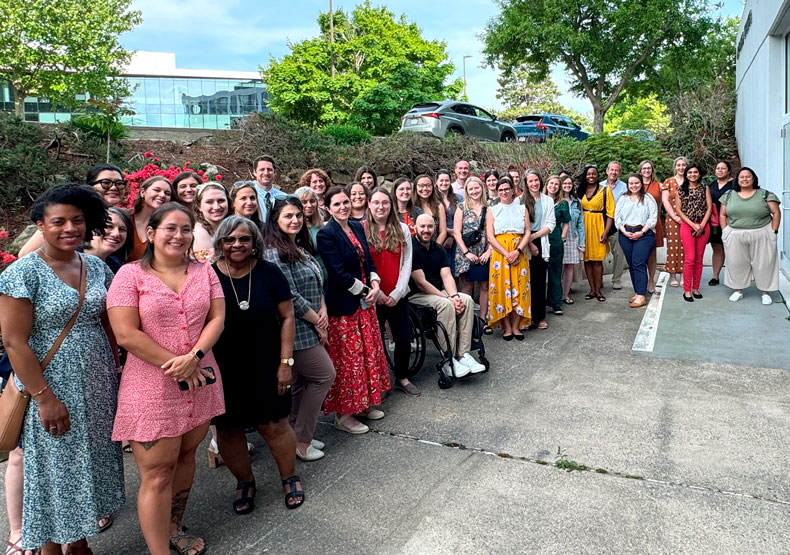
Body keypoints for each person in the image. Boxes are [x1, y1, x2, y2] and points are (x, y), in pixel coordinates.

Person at [0, 184, 124, 555]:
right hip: (50, 385)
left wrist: (118, 373)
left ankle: (78, 540)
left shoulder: (97, 266)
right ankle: (52, 546)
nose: (70, 228)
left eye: (77, 221)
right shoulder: (23, 273)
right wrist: (44, 398)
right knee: (54, 471)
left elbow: (109, 322)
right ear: (40, 224)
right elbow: (14, 342)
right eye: (58, 222)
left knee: (86, 464)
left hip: (97, 381)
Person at [107, 202, 225, 555]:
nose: (178, 235)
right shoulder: (130, 275)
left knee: (187, 457)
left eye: (185, 229)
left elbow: (217, 319)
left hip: (201, 378)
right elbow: (126, 334)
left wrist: (194, 358)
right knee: (157, 474)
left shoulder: (204, 271)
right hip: (150, 387)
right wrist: (179, 363)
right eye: (170, 228)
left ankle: (174, 528)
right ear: (151, 233)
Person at [213, 214, 306, 512]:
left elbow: (288, 317)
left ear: (255, 243)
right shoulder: (206, 276)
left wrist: (285, 362)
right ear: (220, 243)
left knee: (275, 425)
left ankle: (289, 477)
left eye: (244, 238)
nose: (237, 244)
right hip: (224, 367)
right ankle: (245, 482)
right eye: (230, 239)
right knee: (228, 430)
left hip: (267, 363)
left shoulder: (270, 273)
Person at [262, 201, 334, 461]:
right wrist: (317, 320)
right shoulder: (272, 253)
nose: (295, 220)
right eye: (288, 216)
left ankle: (294, 434)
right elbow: (288, 295)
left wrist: (323, 308)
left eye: (298, 215)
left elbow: (317, 279)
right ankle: (302, 440)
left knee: (301, 382)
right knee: (324, 375)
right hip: (297, 329)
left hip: (314, 320)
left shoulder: (299, 247)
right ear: (275, 219)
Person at [317, 187, 389, 434]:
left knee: (366, 355)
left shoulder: (358, 226)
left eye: (345, 202)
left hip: (364, 302)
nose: (343, 207)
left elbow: (368, 260)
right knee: (348, 361)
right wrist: (364, 290)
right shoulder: (326, 235)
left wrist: (375, 283)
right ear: (327, 207)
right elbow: (337, 273)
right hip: (344, 307)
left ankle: (364, 403)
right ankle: (344, 414)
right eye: (336, 204)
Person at [410, 214, 486, 375]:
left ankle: (463, 354)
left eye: (430, 227)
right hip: (416, 294)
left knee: (466, 299)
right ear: (415, 228)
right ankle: (448, 358)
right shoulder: (411, 248)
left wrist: (455, 297)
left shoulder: (438, 249)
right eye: (422, 226)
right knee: (446, 305)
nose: (426, 230)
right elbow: (421, 283)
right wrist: (448, 299)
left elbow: (446, 276)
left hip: (438, 291)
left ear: (435, 228)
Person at [364, 188, 417, 395]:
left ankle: (402, 378)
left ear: (391, 204)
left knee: (403, 338)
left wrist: (397, 293)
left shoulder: (402, 229)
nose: (380, 206)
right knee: (374, 343)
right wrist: (376, 293)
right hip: (373, 296)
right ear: (369, 204)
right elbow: (363, 265)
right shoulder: (362, 229)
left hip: (397, 294)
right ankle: (378, 382)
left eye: (385, 202)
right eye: (376, 202)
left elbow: (407, 263)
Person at [18, 163, 130, 257]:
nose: (114, 188)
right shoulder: (68, 212)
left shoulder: (117, 217)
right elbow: (25, 254)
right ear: (91, 186)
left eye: (119, 183)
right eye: (106, 183)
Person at [719, 167, 782, 305]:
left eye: (748, 176)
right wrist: (725, 231)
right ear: (737, 179)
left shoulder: (764, 194)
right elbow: (723, 214)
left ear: (753, 179)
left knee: (764, 263)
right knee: (736, 262)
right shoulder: (729, 195)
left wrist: (773, 231)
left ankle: (765, 292)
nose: (745, 179)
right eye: (742, 177)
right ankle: (738, 290)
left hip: (762, 232)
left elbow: (776, 213)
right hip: (735, 233)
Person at [486, 177, 532, 340]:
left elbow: (527, 232)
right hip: (500, 254)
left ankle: (516, 326)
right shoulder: (493, 209)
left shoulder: (522, 208)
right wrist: (506, 254)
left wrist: (517, 251)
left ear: (513, 190)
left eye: (507, 189)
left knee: (520, 288)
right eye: (501, 190)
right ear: (497, 192)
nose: (504, 192)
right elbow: (490, 236)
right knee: (501, 289)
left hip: (519, 252)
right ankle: (506, 327)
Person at [453, 177, 493, 333]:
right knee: (467, 287)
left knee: (484, 287)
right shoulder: (461, 208)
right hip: (466, 252)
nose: (474, 191)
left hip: (485, 251)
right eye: (471, 189)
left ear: (481, 189)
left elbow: (493, 233)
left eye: (477, 188)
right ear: (467, 191)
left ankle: (483, 320)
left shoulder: (489, 207)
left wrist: (489, 251)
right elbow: (457, 232)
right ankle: (466, 322)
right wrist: (466, 252)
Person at [614, 174, 658, 308]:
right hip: (625, 233)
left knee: (639, 263)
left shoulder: (648, 198)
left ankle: (641, 295)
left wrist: (641, 232)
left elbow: (653, 218)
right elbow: (617, 217)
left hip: (644, 234)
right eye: (631, 183)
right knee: (632, 264)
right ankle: (637, 292)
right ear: (627, 185)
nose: (634, 186)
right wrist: (623, 231)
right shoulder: (623, 198)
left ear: (641, 184)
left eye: (636, 183)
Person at [522, 170, 557, 328]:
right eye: (530, 181)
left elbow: (551, 224)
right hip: (523, 243)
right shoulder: (519, 201)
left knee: (539, 281)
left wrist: (534, 238)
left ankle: (539, 316)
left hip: (540, 240)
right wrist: (529, 243)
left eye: (536, 180)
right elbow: (520, 225)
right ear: (526, 183)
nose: (534, 183)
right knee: (524, 282)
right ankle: (525, 317)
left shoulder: (548, 200)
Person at [578, 165, 615, 301]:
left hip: (599, 227)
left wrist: (606, 232)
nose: (591, 176)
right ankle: (591, 289)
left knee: (597, 261)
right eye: (588, 174)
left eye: (594, 174)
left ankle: (598, 291)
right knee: (587, 261)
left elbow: (611, 213)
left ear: (598, 175)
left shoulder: (605, 191)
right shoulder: (581, 190)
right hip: (584, 228)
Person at [676, 163, 712, 302]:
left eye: (695, 172)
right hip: (687, 226)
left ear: (699, 174)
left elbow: (709, 207)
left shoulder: (704, 188)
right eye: (690, 172)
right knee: (690, 259)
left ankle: (695, 288)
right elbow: (679, 210)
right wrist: (693, 225)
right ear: (686, 174)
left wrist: (702, 225)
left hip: (703, 226)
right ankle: (687, 290)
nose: (692, 175)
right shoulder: (681, 190)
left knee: (699, 259)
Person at [129, 176, 176, 262]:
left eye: (167, 193)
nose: (162, 195)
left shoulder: (169, 227)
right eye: (157, 190)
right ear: (143, 192)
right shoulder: (125, 218)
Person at [543, 175, 570, 315]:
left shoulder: (562, 203)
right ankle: (540, 302)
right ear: (547, 184)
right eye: (551, 184)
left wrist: (563, 236)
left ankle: (556, 303)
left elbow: (566, 222)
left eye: (556, 185)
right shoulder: (540, 200)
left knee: (555, 271)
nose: (553, 186)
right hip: (541, 236)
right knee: (540, 272)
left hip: (555, 237)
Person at [661, 156, 688, 287]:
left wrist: (685, 218)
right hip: (672, 219)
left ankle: (684, 274)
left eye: (683, 165)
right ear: (675, 167)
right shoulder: (669, 182)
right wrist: (674, 216)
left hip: (688, 219)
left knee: (685, 247)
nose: (681, 167)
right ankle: (672, 275)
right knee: (672, 248)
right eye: (678, 165)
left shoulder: (691, 181)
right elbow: (665, 200)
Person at [600, 161, 627, 290]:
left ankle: (616, 279)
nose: (613, 172)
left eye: (616, 170)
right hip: (600, 223)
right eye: (611, 170)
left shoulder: (624, 187)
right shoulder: (599, 186)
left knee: (618, 253)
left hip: (617, 225)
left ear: (619, 173)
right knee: (599, 253)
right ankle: (598, 279)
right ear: (607, 171)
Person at [707, 160, 735, 286]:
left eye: (723, 168)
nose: (720, 170)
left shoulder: (735, 184)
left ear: (729, 171)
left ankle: (735, 278)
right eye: (718, 168)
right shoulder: (711, 185)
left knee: (733, 250)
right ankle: (715, 276)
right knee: (717, 248)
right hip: (714, 223)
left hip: (732, 221)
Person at [638, 159, 664, 294]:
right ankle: (640, 281)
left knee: (652, 253)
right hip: (638, 223)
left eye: (649, 168)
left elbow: (660, 205)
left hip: (654, 222)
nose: (646, 170)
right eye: (644, 168)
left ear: (652, 170)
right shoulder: (636, 184)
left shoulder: (658, 185)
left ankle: (651, 280)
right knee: (640, 253)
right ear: (640, 170)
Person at [294, 186, 328, 284]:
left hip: (327, 275)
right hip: (308, 280)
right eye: (304, 202)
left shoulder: (322, 226)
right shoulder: (295, 229)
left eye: (312, 201)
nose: (309, 205)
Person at [560, 174, 585, 304]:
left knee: (569, 266)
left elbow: (581, 224)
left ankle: (565, 294)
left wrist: (582, 242)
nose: (567, 186)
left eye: (569, 183)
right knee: (560, 267)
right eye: (565, 183)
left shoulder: (577, 202)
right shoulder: (555, 201)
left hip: (572, 237)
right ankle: (557, 294)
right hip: (559, 237)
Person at [192, 182, 230, 263]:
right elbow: (208, 268)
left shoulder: (233, 227)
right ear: (199, 206)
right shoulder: (198, 233)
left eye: (221, 201)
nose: (216, 207)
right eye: (209, 202)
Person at [436, 168, 460, 273]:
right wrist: (446, 231)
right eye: (441, 180)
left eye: (446, 180)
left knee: (454, 271)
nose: (444, 183)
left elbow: (463, 219)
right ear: (436, 182)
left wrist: (451, 236)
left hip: (456, 239)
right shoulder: (432, 199)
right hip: (438, 237)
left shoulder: (458, 198)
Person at [251, 155, 288, 222]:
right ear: (254, 172)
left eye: (269, 169)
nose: (266, 173)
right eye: (262, 169)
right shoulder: (249, 197)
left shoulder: (284, 197)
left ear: (274, 172)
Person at [413, 174, 447, 243]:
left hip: (434, 246)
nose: (425, 188)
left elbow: (443, 232)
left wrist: (434, 249)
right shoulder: (410, 205)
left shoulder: (439, 206)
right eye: (421, 185)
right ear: (415, 187)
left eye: (428, 185)